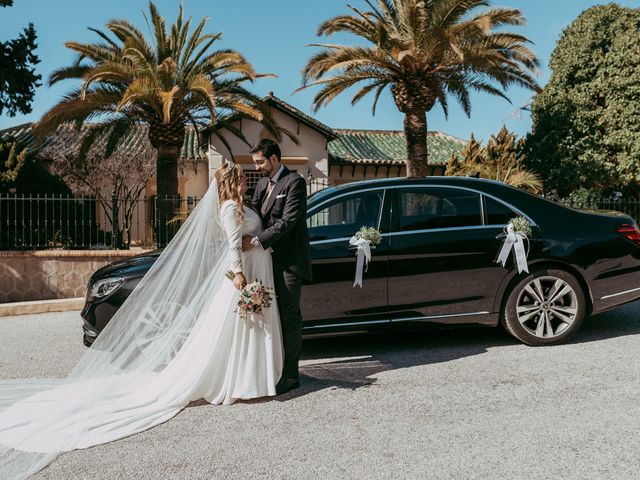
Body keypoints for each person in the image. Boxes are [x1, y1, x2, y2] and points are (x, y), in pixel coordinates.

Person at [0, 163, 283, 480]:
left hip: (258, 269)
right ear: (231, 181)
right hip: (241, 277)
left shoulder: (244, 204)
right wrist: (240, 276)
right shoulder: (230, 207)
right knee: (237, 329)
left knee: (244, 329)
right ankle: (239, 380)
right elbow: (232, 244)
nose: (246, 178)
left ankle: (252, 378)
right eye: (242, 176)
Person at [242, 139, 312, 395]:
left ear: (274, 159)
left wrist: (258, 241)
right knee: (269, 317)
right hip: (265, 262)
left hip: (289, 262)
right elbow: (252, 213)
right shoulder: (261, 184)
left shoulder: (295, 182)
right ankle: (272, 368)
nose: (257, 167)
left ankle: (291, 376)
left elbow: (288, 220)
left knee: (289, 316)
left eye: (260, 161)